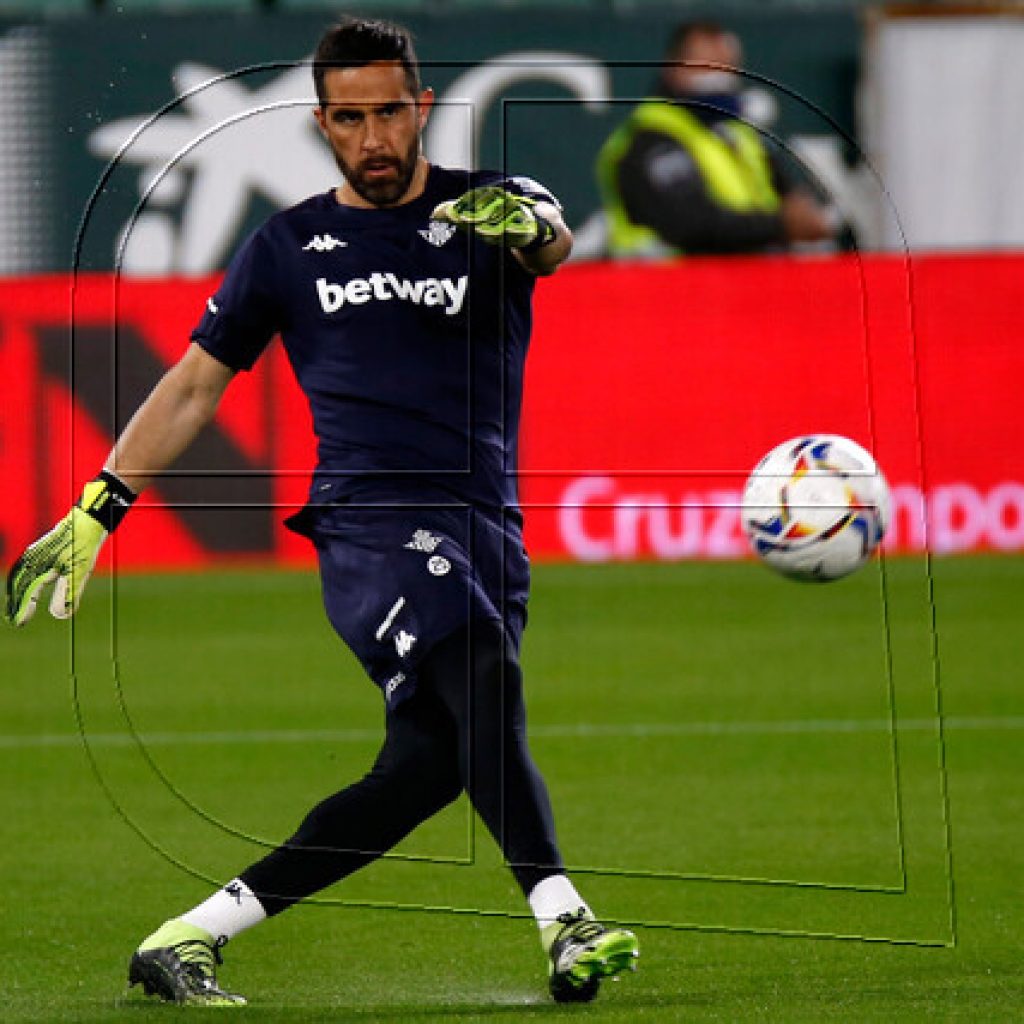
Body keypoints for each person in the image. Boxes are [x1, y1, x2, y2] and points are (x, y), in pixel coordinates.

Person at [4, 16, 638, 1008]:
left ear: (421, 107)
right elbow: (191, 387)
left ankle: (187, 936)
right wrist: (98, 507)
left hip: (485, 529)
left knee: (430, 766)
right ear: (322, 124)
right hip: (369, 523)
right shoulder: (290, 244)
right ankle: (565, 918)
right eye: (350, 119)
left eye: (390, 113)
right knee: (480, 663)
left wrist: (533, 230)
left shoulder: (486, 210)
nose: (374, 138)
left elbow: (548, 230)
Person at [597, 20, 842, 257]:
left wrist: (803, 217)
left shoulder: (741, 135)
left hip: (751, 282)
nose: (717, 77)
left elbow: (788, 197)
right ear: (674, 69)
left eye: (725, 66)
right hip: (669, 288)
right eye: (705, 65)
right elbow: (690, 225)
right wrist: (780, 226)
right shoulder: (650, 139)